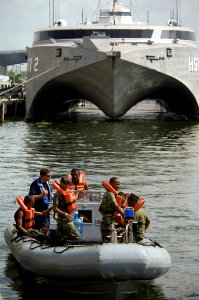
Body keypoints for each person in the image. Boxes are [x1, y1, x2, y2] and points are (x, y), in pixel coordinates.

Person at [53, 176, 81, 245]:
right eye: (65, 183)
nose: (67, 185)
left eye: (68, 183)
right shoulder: (58, 194)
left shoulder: (67, 192)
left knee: (60, 237)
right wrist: (66, 214)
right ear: (61, 183)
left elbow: (74, 199)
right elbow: (55, 209)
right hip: (63, 219)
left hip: (66, 219)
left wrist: (77, 191)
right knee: (77, 236)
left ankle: (62, 248)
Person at [99, 177, 124, 243]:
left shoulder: (107, 193)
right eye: (116, 184)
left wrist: (105, 216)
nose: (118, 186)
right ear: (111, 184)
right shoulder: (110, 194)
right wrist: (123, 214)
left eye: (119, 184)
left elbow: (100, 209)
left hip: (106, 221)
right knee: (108, 240)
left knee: (106, 239)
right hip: (108, 223)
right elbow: (115, 206)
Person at [29, 168, 53, 234]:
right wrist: (41, 195)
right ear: (43, 176)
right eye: (48, 176)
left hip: (46, 210)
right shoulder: (35, 184)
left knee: (46, 226)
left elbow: (50, 195)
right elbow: (31, 197)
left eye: (50, 176)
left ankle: (45, 239)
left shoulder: (47, 184)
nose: (50, 177)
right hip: (37, 209)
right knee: (38, 228)